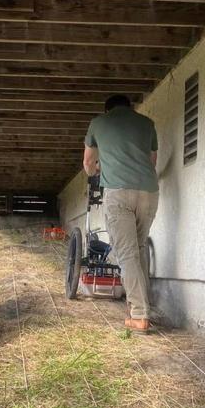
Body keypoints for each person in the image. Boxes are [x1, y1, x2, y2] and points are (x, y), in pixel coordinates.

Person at [83, 94, 159, 333]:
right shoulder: (147, 124)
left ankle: (139, 314)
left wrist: (96, 171)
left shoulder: (98, 123)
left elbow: (88, 162)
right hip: (148, 192)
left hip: (117, 193)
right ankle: (139, 305)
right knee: (137, 249)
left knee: (126, 254)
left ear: (107, 111)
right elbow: (152, 161)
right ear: (131, 107)